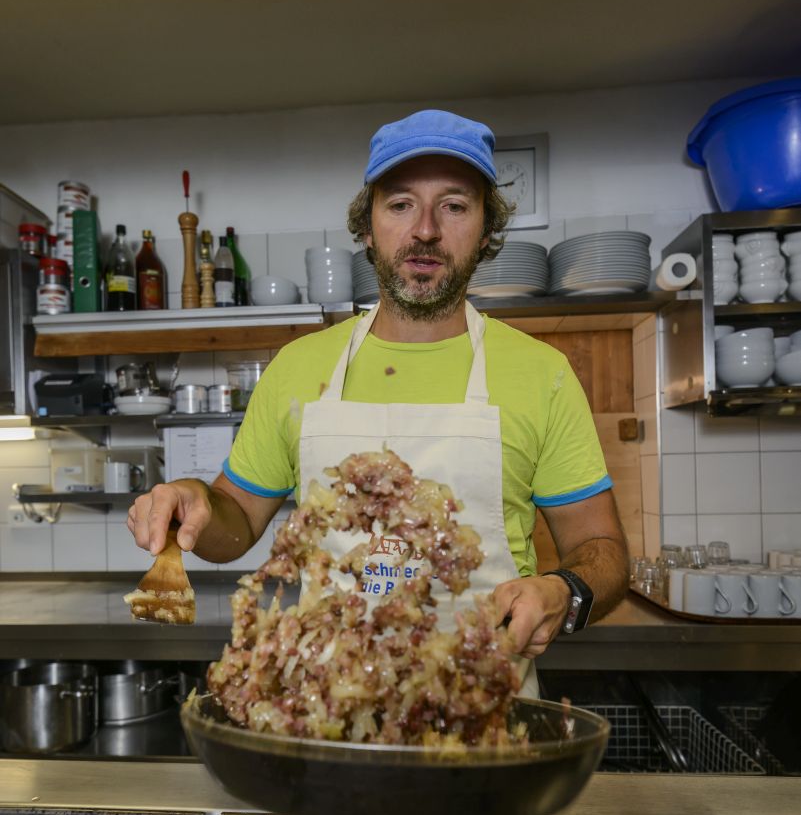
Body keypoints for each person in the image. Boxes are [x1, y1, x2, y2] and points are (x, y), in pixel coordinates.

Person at [128, 109, 629, 669]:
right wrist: (195, 499)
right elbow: (236, 522)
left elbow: (602, 553)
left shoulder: (543, 374)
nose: (425, 230)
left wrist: (564, 591)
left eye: (455, 205)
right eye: (400, 204)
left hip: (484, 718)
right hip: (330, 710)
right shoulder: (298, 368)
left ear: (487, 230)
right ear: (367, 226)